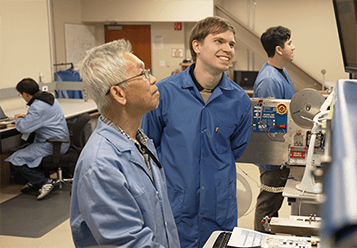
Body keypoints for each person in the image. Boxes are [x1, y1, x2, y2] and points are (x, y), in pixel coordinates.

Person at [141, 16, 252, 247]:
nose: (227, 49)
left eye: (231, 44)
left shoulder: (240, 100)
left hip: (219, 206)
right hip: (176, 206)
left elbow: (236, 148)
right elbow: (149, 146)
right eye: (219, 41)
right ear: (197, 45)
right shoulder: (164, 93)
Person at [70, 39, 180, 248]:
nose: (153, 79)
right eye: (143, 74)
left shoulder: (141, 141)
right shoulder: (101, 165)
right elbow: (129, 243)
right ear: (119, 93)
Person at [253, 26, 296, 233]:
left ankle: (269, 238)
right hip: (272, 156)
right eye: (289, 43)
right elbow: (266, 124)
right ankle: (259, 240)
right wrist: (278, 154)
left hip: (282, 151)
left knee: (274, 204)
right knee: (268, 203)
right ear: (279, 49)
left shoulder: (282, 72)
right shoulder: (269, 80)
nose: (293, 47)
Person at [5, 78, 70, 200]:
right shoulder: (49, 99)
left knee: (15, 159)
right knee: (25, 149)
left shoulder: (37, 106)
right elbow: (43, 116)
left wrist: (18, 119)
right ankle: (35, 181)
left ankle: (44, 181)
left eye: (21, 95)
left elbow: (24, 128)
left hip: (52, 145)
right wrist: (28, 116)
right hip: (60, 141)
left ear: (25, 94)